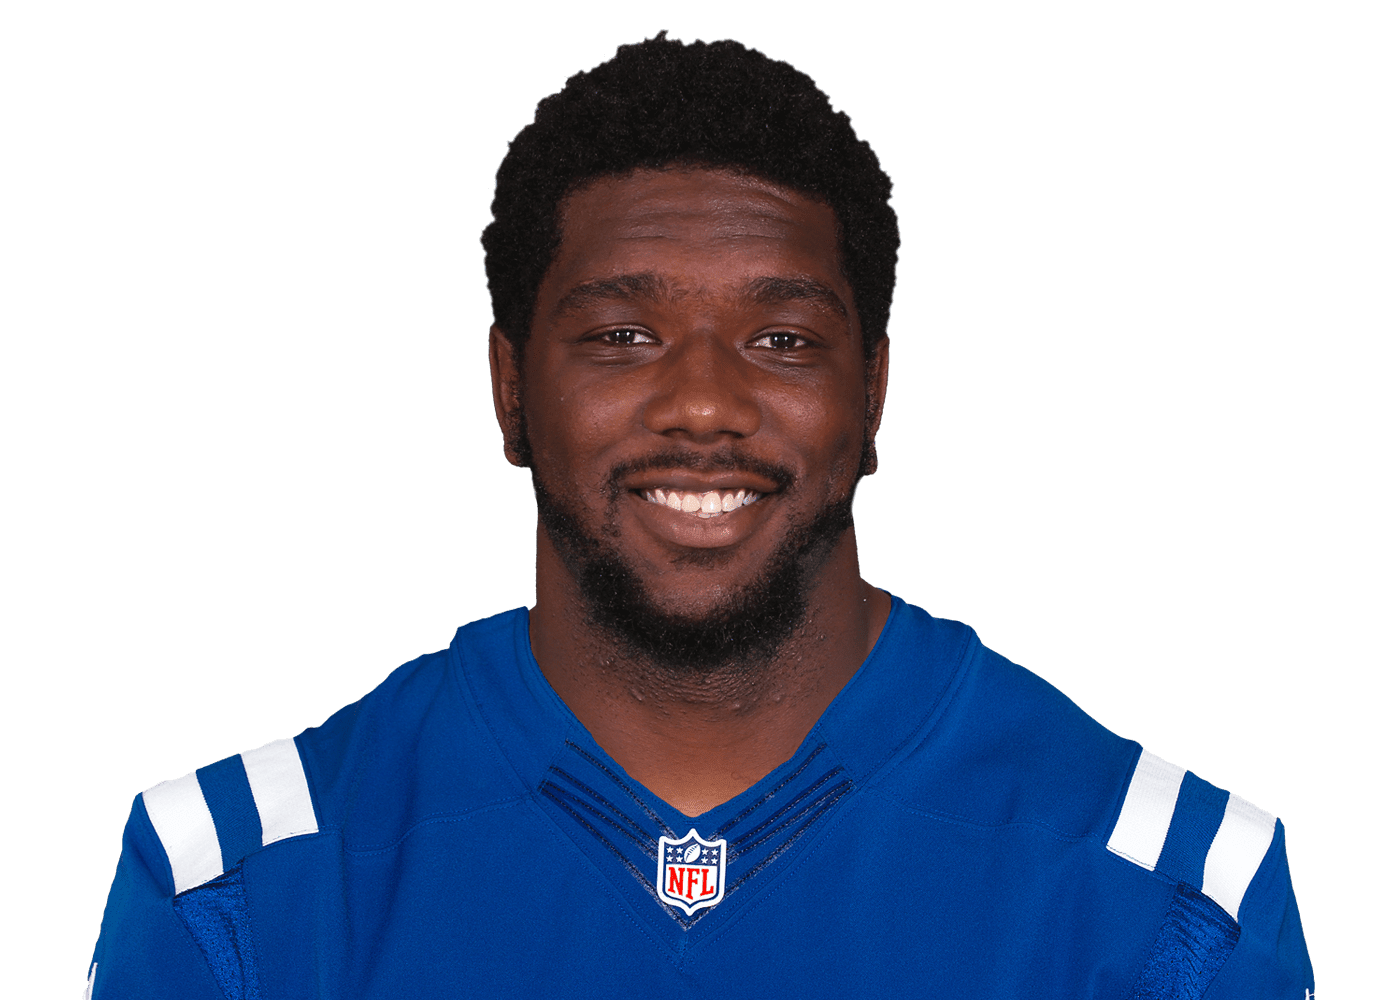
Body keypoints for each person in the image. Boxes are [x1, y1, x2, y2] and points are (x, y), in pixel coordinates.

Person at [84, 33, 1313, 998]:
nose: (704, 404)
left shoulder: (1166, 891)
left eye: (782, 339)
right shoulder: (238, 885)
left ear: (871, 394)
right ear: (510, 389)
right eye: (622, 336)